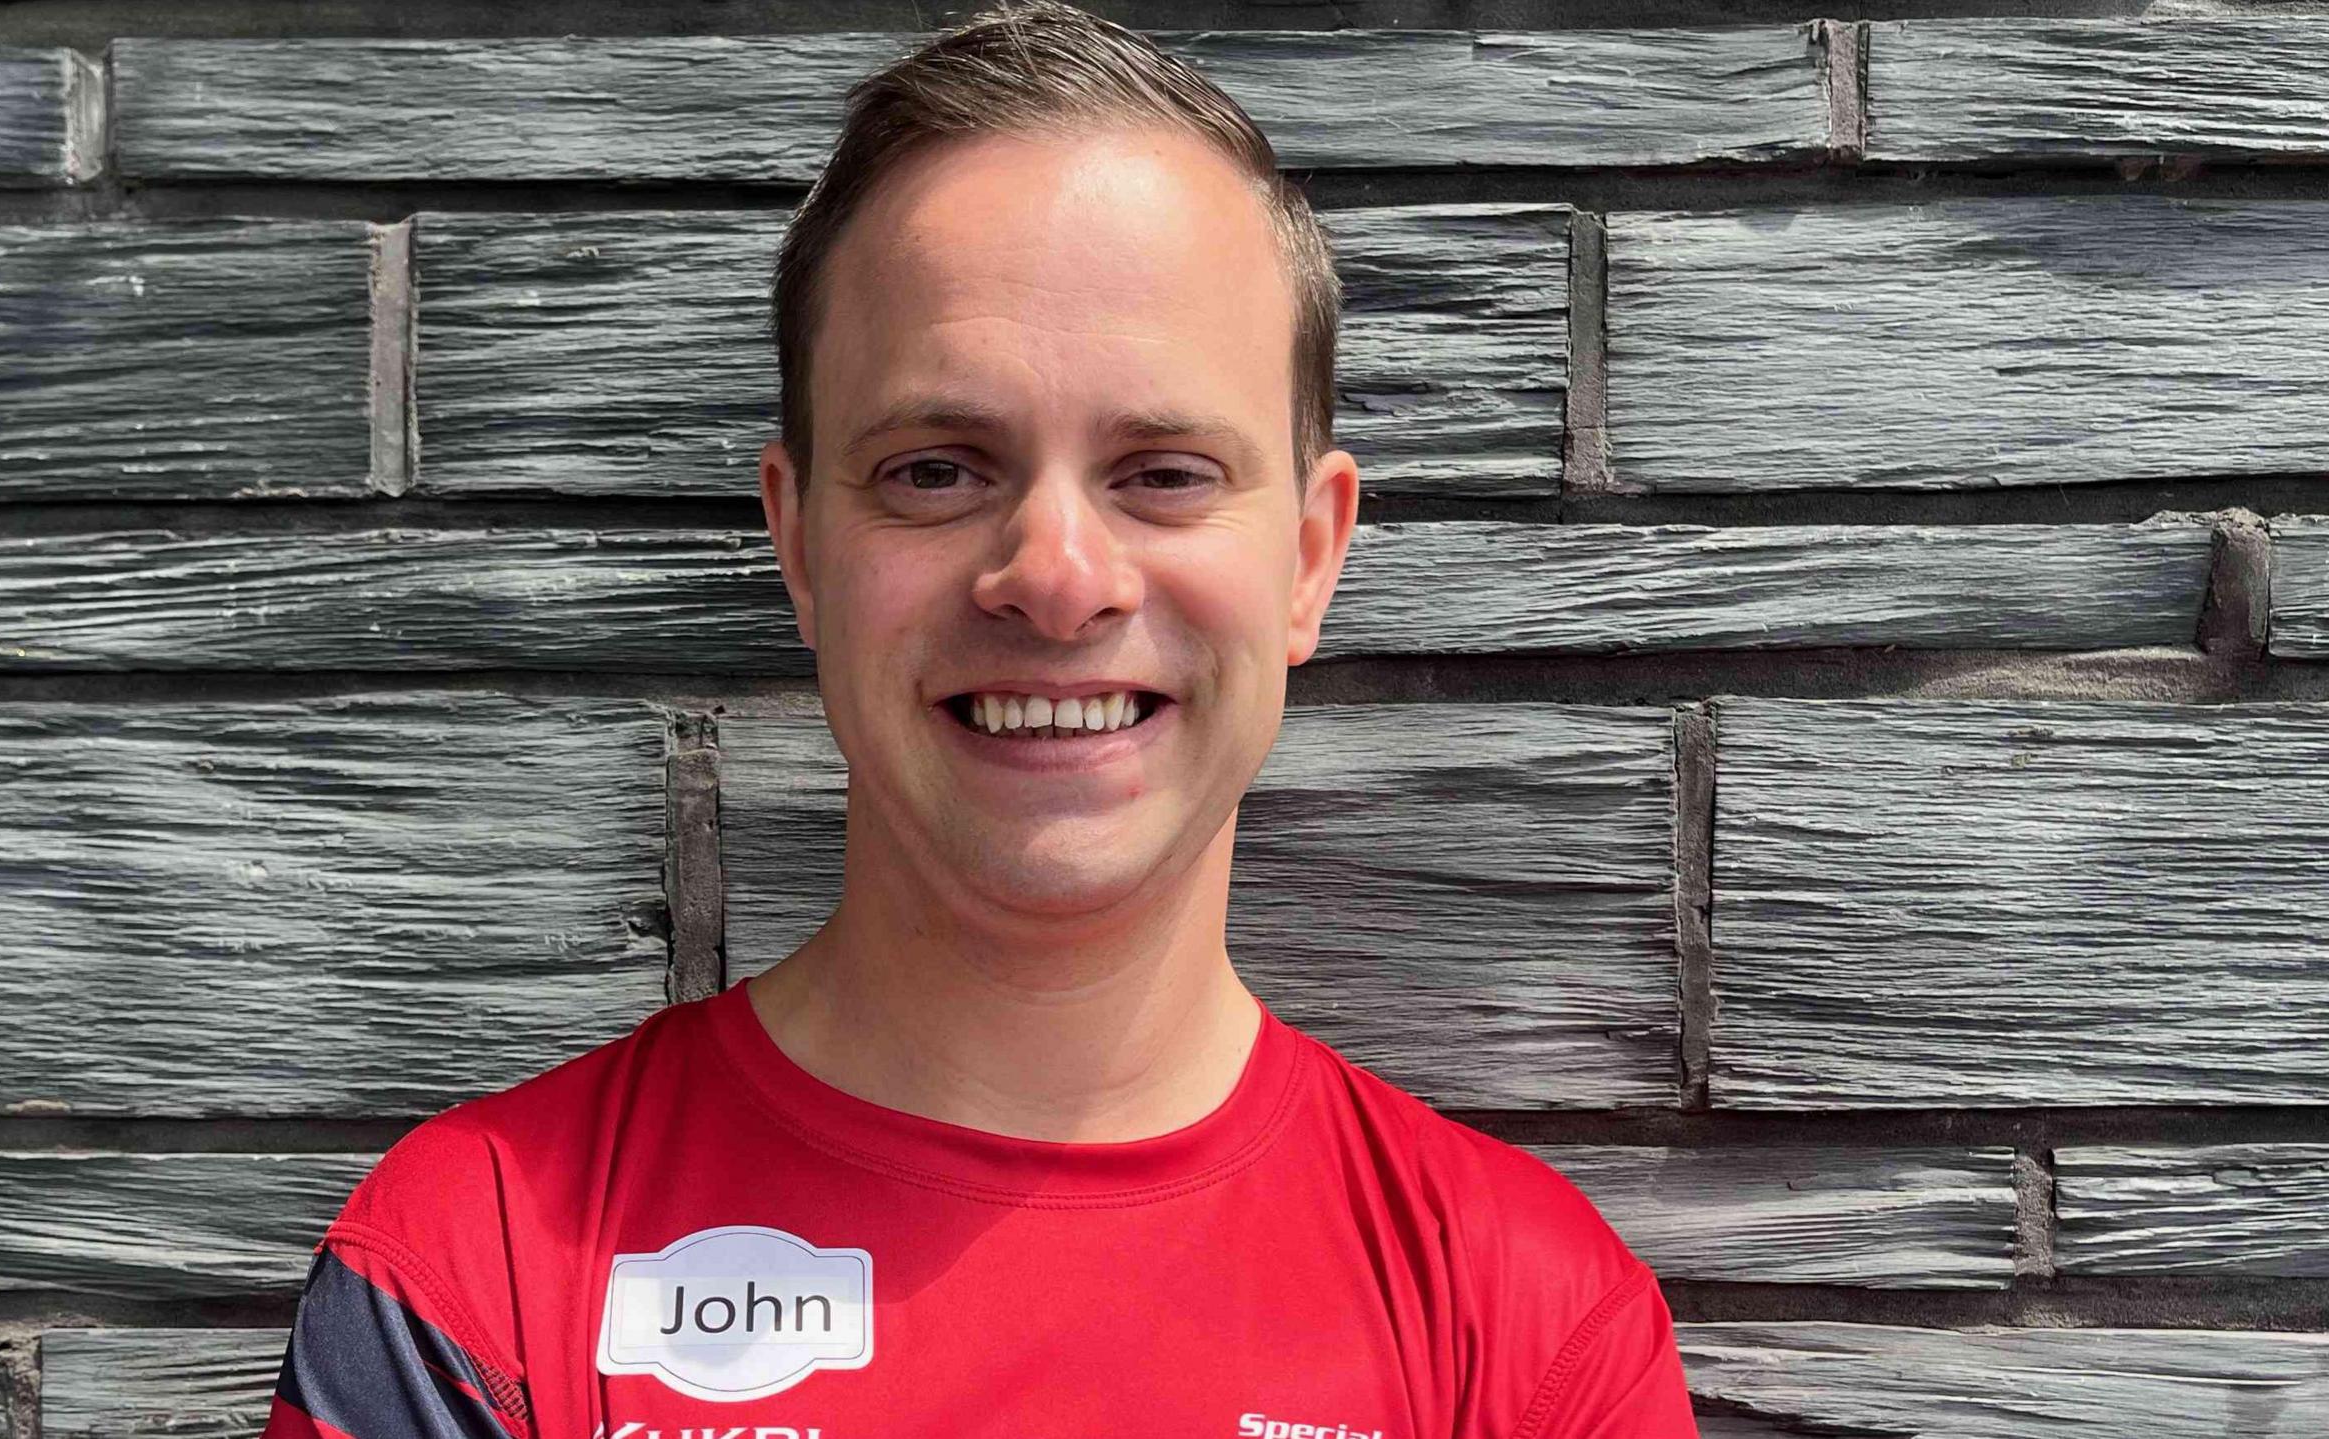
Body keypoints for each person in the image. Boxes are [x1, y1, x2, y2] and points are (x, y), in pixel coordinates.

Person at [258, 3, 1700, 1435]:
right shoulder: (475, 1276)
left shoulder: (1533, 1339)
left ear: (1310, 557)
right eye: (938, 471)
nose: (1058, 579)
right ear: (804, 546)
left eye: (1168, 471)